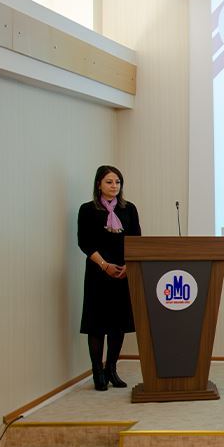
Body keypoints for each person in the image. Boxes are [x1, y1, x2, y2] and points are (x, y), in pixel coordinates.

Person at [77, 165, 141, 391]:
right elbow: (84, 242)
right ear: (99, 184)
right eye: (109, 182)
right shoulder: (87, 209)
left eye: (118, 182)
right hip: (98, 272)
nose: (114, 186)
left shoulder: (129, 209)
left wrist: (128, 266)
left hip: (122, 273)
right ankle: (97, 372)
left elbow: (136, 240)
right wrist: (104, 265)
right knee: (97, 325)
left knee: (118, 325)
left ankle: (111, 369)